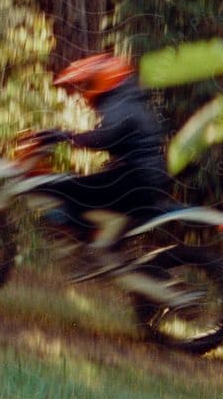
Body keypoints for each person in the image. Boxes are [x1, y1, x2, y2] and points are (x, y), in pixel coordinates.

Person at [29, 52, 178, 263]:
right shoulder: (127, 99)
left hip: (136, 179)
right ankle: (98, 242)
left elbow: (104, 138)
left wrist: (64, 135)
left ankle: (88, 247)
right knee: (80, 186)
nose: (82, 93)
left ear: (102, 79)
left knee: (68, 188)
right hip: (144, 178)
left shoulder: (118, 103)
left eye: (87, 84)